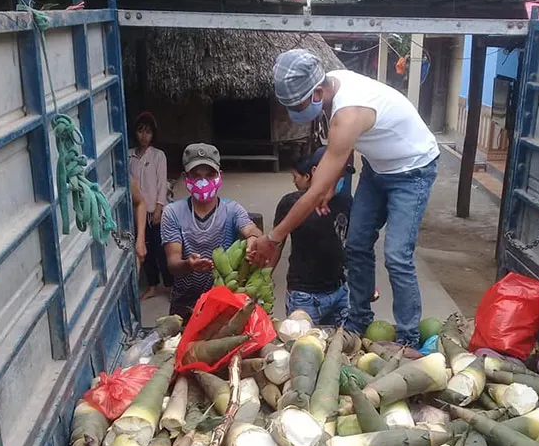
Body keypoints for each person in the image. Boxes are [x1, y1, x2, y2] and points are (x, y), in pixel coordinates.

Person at [250, 49, 440, 348]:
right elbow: (340, 151)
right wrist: (331, 179)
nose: (293, 114)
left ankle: (408, 338)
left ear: (317, 92)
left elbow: (313, 192)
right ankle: (359, 320)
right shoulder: (332, 84)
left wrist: (273, 238)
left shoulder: (348, 112)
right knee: (356, 244)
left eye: (297, 106)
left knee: (397, 256)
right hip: (377, 167)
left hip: (412, 170)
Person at [161, 143, 263, 322]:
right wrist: (188, 265)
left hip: (224, 300)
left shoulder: (232, 210)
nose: (203, 181)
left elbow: (250, 228)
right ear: (185, 178)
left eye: (210, 175)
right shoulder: (172, 212)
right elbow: (173, 263)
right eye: (196, 175)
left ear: (219, 176)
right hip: (185, 301)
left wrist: (253, 238)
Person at [272, 147, 352, 326]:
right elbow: (276, 245)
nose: (339, 178)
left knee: (342, 342)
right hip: (304, 297)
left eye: (342, 173)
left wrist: (364, 279)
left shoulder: (346, 201)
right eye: (334, 172)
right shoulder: (291, 203)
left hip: (339, 292)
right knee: (302, 342)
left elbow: (349, 244)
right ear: (315, 171)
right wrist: (264, 279)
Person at [128, 111, 171, 299]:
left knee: (161, 249)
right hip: (138, 212)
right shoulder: (129, 156)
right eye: (140, 131)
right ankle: (152, 285)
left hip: (155, 210)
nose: (144, 136)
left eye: (148, 132)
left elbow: (162, 183)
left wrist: (159, 208)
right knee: (144, 250)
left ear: (153, 134)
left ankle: (169, 285)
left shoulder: (158, 156)